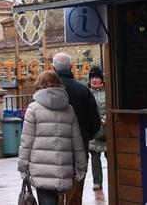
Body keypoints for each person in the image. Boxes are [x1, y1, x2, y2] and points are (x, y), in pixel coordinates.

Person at [17, 70, 88, 205]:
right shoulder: (69, 109)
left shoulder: (33, 109)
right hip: (64, 169)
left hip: (41, 170)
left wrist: (23, 166)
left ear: (39, 85)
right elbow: (77, 141)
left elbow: (27, 141)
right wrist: (81, 166)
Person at [52, 53, 100, 205]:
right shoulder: (83, 91)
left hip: (52, 152)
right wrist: (85, 136)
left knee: (55, 193)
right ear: (71, 67)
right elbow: (95, 122)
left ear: (54, 68)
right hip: (78, 149)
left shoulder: (44, 94)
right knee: (75, 195)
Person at [87, 66, 107, 192]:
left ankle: (114, 178)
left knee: (110, 155)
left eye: (97, 77)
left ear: (101, 79)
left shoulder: (108, 91)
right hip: (94, 128)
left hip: (107, 128)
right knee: (95, 156)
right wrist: (96, 120)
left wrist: (106, 118)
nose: (94, 80)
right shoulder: (87, 92)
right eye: (92, 77)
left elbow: (112, 104)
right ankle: (97, 182)